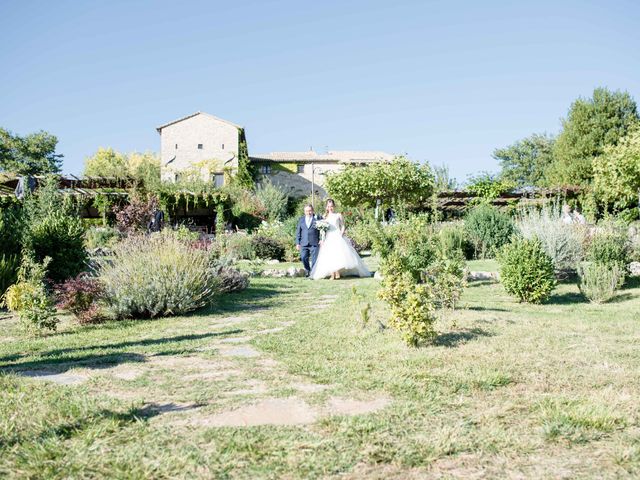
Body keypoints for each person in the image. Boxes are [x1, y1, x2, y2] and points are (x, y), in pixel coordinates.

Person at [310, 199, 371, 280]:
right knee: (329, 256)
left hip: (337, 236)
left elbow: (343, 226)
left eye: (331, 206)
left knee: (337, 254)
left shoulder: (338, 215)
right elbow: (323, 229)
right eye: (328, 206)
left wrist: (341, 233)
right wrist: (322, 239)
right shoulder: (324, 217)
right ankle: (332, 274)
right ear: (326, 207)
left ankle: (337, 272)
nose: (330, 208)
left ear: (334, 206)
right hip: (328, 237)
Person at [295, 204, 322, 276]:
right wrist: (297, 243)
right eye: (307, 211)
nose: (308, 212)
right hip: (303, 243)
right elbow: (298, 232)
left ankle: (312, 273)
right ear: (304, 212)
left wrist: (321, 239)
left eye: (310, 211)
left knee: (314, 260)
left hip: (314, 242)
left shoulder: (317, 219)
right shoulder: (301, 220)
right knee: (303, 257)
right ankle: (307, 270)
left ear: (313, 211)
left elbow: (322, 230)